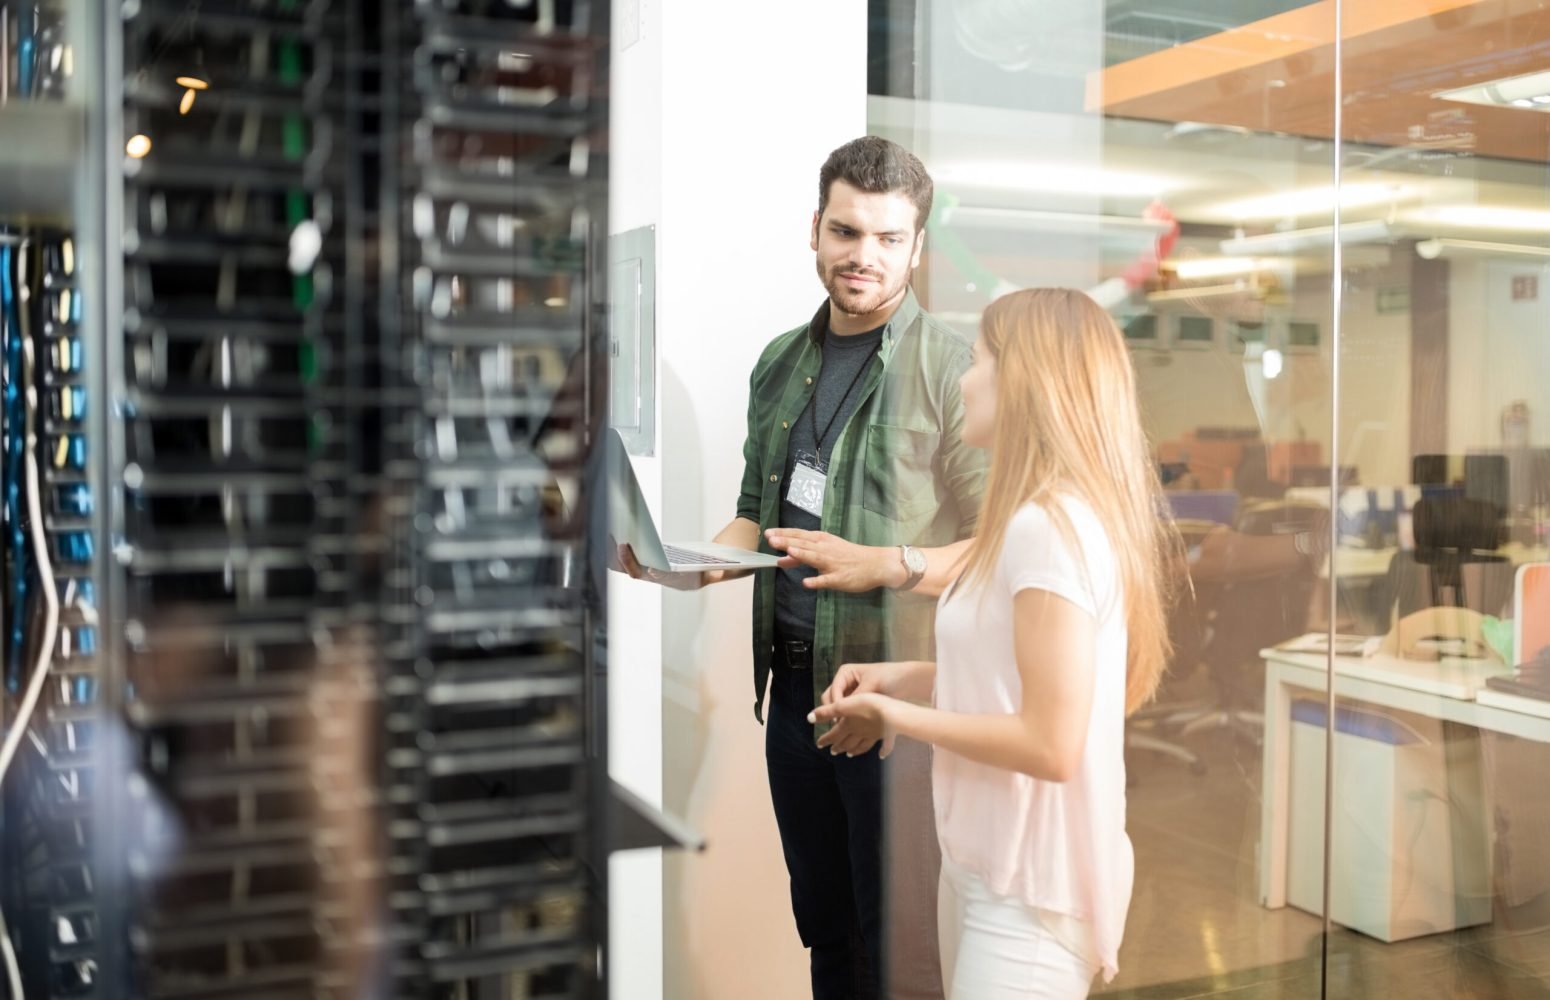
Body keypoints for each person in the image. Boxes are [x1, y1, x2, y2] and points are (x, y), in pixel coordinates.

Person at [617, 136, 988, 1000]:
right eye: (847, 231)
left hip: (893, 707)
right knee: (824, 928)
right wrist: (690, 566)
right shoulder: (780, 362)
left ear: (917, 248)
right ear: (815, 230)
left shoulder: (952, 371)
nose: (864, 256)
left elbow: (995, 546)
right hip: (793, 696)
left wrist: (890, 565)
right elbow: (758, 512)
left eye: (889, 239)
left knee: (898, 948)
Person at [804, 288, 1179, 998]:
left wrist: (896, 720)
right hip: (983, 866)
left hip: (1030, 894)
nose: (964, 379)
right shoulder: (1025, 521)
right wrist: (906, 678)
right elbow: (1010, 676)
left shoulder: (1050, 529)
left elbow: (1050, 744)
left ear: (1024, 382)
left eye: (977, 361)